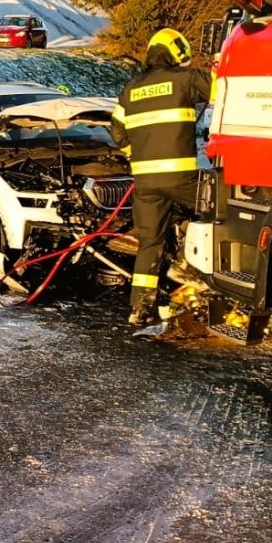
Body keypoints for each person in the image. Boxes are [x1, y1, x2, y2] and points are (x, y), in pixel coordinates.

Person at [110, 28, 212, 332]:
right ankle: (195, 273)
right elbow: (228, 89)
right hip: (181, 177)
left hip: (145, 182)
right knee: (220, 211)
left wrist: (137, 156)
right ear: (175, 51)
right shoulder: (185, 79)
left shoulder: (131, 90)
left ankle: (139, 310)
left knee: (149, 244)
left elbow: (117, 133)